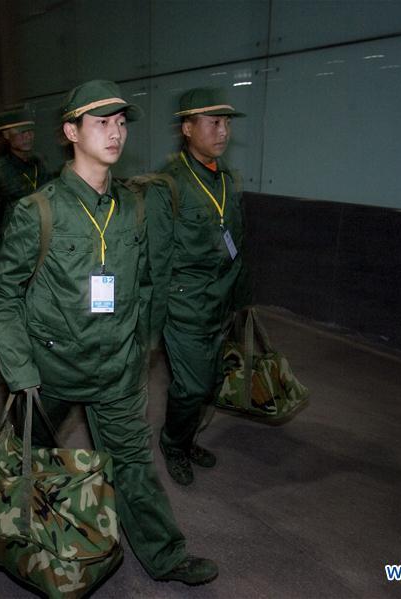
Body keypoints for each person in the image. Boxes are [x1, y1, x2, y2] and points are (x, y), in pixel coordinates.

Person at [0, 80, 218, 586]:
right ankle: (3, 536)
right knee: (21, 461)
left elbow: (148, 285)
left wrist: (143, 349)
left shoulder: (133, 206)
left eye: (120, 123)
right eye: (101, 122)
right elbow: (2, 294)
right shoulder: (39, 211)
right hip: (49, 373)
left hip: (116, 369)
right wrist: (21, 372)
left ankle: (165, 557)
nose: (115, 133)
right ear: (71, 131)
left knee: (135, 465)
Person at [147, 88, 252, 486]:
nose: (223, 131)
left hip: (221, 303)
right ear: (187, 128)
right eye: (213, 122)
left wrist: (241, 303)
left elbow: (238, 244)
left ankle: (187, 437)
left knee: (209, 382)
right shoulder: (167, 185)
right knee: (191, 386)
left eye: (225, 123)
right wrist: (152, 325)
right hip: (185, 306)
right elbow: (157, 260)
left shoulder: (227, 178)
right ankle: (173, 444)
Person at [0, 106, 49, 265]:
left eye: (30, 131)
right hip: (15, 257)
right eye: (21, 132)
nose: (27, 136)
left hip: (44, 250)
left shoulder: (39, 165)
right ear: (6, 134)